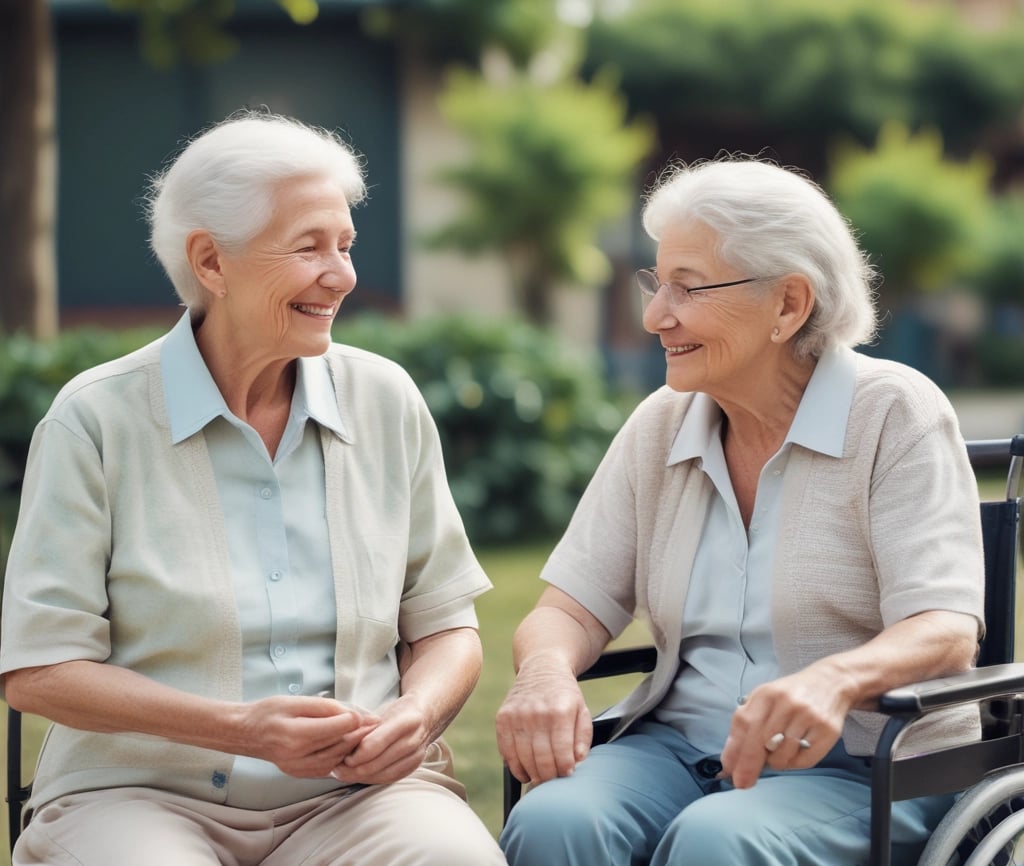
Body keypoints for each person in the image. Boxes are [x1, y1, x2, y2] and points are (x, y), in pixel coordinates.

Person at [1, 110, 506, 866]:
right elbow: (39, 670)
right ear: (210, 261)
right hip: (136, 798)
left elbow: (446, 624)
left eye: (345, 245)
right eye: (309, 247)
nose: (342, 274)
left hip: (355, 800)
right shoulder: (95, 420)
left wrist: (418, 712)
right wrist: (241, 729)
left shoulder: (384, 400)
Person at [495, 157, 985, 866]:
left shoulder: (893, 413)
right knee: (555, 820)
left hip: (862, 768)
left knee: (717, 841)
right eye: (656, 283)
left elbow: (943, 629)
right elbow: (569, 608)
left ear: (789, 304)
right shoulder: (662, 423)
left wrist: (833, 680)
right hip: (679, 748)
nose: (654, 315)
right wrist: (544, 671)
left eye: (687, 289)